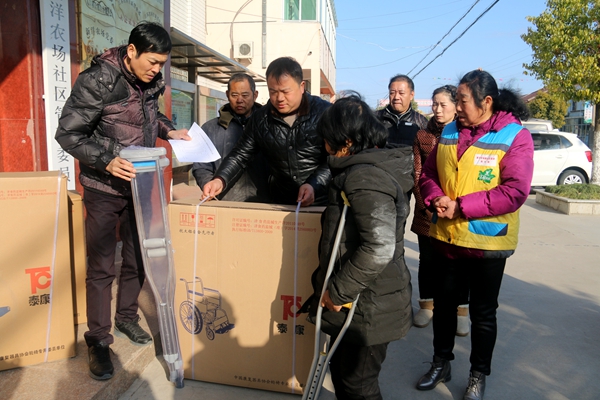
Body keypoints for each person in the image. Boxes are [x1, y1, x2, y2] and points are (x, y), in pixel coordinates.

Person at [55, 22, 191, 381]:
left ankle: (127, 316)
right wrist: (108, 159)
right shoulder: (98, 80)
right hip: (103, 186)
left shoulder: (150, 81)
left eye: (162, 64)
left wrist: (169, 129)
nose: (157, 70)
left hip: (141, 183)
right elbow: (68, 133)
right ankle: (99, 340)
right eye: (152, 62)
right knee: (102, 266)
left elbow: (148, 117)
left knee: (138, 257)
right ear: (131, 51)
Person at [415, 70, 533, 400]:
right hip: (447, 239)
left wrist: (461, 207)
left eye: (462, 100)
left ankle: (477, 375)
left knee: (482, 314)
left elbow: (515, 191)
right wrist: (436, 197)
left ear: (487, 102)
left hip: (486, 243)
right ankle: (441, 362)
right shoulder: (450, 130)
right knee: (444, 307)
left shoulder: (515, 136)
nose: (456, 106)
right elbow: (429, 173)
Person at [304, 93, 413, 399]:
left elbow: (379, 247)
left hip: (369, 305)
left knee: (358, 384)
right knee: (343, 374)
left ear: (347, 141)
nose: (324, 144)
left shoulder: (365, 177)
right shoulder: (359, 169)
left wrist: (339, 291)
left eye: (327, 137)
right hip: (365, 299)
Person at [201, 56, 331, 206]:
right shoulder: (261, 119)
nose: (279, 98)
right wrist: (220, 180)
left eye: (285, 91)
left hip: (321, 201)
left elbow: (335, 158)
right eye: (273, 91)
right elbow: (240, 155)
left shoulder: (325, 113)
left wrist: (314, 184)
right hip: (281, 202)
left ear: (301, 86)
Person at [411, 85, 470, 336]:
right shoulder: (422, 135)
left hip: (458, 211)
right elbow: (417, 174)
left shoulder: (465, 134)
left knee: (459, 263)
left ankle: (461, 311)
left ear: (456, 106)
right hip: (428, 209)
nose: (437, 109)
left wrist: (458, 206)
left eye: (442, 104)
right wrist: (427, 204)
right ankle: (427, 305)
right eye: (434, 104)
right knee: (427, 261)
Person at [192, 73, 269, 202]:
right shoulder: (210, 128)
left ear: (255, 95)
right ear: (227, 95)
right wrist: (209, 185)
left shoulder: (269, 126)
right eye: (234, 95)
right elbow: (201, 166)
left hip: (266, 203)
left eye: (245, 95)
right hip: (224, 202)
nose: (239, 100)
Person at [377, 74, 428, 148]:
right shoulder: (375, 118)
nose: (396, 97)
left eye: (401, 93)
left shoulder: (421, 122)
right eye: (392, 93)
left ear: (411, 95)